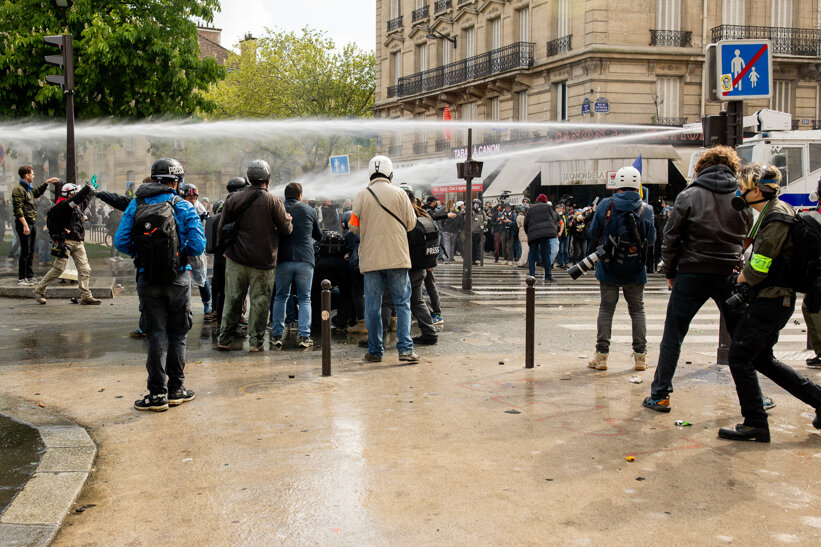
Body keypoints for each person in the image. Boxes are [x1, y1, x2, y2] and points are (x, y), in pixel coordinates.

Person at [643, 146, 752, 412]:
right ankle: (754, 397)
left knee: (674, 334)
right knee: (742, 337)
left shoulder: (689, 195)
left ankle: (660, 394)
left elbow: (671, 238)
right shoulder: (741, 197)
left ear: (701, 168)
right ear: (732, 168)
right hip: (728, 273)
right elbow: (747, 231)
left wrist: (670, 272)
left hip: (691, 271)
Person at [719, 164, 821, 442]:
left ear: (756, 190)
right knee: (762, 359)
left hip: (772, 299)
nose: (738, 192)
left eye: (742, 187)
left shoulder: (776, 217)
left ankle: (755, 423)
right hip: (774, 298)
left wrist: (739, 279)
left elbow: (759, 267)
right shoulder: (771, 213)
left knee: (739, 356)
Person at [114, 158, 205, 412]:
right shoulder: (183, 205)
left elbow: (120, 242)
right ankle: (176, 389)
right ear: (176, 181)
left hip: (148, 278)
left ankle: (156, 394)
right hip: (179, 279)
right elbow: (198, 245)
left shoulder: (136, 204)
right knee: (178, 335)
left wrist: (142, 253)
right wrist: (179, 254)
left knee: (155, 335)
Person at [216, 160, 292, 352]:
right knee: (260, 302)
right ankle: (255, 343)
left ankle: (224, 339)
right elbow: (286, 229)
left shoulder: (233, 199)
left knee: (232, 300)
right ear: (267, 177)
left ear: (249, 177)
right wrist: (288, 219)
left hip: (236, 259)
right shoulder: (273, 201)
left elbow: (221, 228)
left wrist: (223, 250)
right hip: (263, 261)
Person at [350, 155, 419, 363]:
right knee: (402, 303)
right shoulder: (400, 194)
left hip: (371, 259)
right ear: (390, 173)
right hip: (397, 256)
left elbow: (353, 226)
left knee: (372, 306)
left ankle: (375, 350)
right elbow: (411, 223)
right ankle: (405, 350)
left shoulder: (362, 195)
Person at [587, 166, 655, 371]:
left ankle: (601, 357)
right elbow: (652, 240)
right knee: (637, 309)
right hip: (636, 268)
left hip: (608, 266)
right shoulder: (646, 209)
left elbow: (593, 232)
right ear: (637, 186)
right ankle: (640, 357)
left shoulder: (606, 204)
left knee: (606, 309)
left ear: (617, 185)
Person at [270, 182, 323, 348]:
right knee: (304, 298)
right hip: (305, 260)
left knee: (281, 296)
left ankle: (277, 335)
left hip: (283, 259)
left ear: (285, 195)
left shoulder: (278, 209)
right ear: (300, 195)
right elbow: (319, 235)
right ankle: (304, 337)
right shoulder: (309, 210)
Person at [33, 182, 101, 305]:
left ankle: (86, 296)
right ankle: (39, 291)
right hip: (65, 241)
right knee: (58, 269)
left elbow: (84, 200)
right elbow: (77, 199)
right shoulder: (63, 205)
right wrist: (87, 188)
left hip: (77, 240)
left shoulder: (76, 206)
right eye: (75, 193)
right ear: (69, 194)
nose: (77, 195)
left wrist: (91, 191)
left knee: (85, 269)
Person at [205, 176, 248, 327]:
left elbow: (210, 245)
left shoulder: (215, 218)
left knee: (221, 293)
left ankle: (221, 324)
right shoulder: (240, 216)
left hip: (219, 260)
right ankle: (236, 321)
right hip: (235, 259)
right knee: (238, 292)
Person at [401, 185, 439, 345]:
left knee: (393, 301)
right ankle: (430, 334)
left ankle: (387, 339)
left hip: (409, 266)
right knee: (417, 301)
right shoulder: (423, 214)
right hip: (422, 266)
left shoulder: (407, 217)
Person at [12, 166, 60, 285]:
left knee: (31, 250)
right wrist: (25, 225)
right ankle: (22, 278)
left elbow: (37, 192)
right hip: (24, 223)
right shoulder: (18, 189)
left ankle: (29, 276)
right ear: (27, 175)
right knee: (25, 250)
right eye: (32, 174)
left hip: (31, 222)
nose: (33, 176)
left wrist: (47, 182)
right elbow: (18, 209)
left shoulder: (28, 189)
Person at [181, 183, 212, 319]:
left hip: (195, 246)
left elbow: (202, 230)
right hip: (181, 245)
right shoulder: (178, 206)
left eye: (194, 198)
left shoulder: (200, 209)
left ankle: (207, 303)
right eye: (190, 198)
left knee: (201, 276)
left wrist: (201, 247)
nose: (192, 200)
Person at [524, 194, 559, 282]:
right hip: (545, 233)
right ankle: (548, 276)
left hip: (533, 234)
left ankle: (532, 275)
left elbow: (525, 222)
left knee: (532, 254)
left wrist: (528, 233)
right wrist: (553, 230)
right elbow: (554, 218)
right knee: (545, 254)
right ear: (545, 201)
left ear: (537, 200)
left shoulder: (530, 209)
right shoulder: (548, 207)